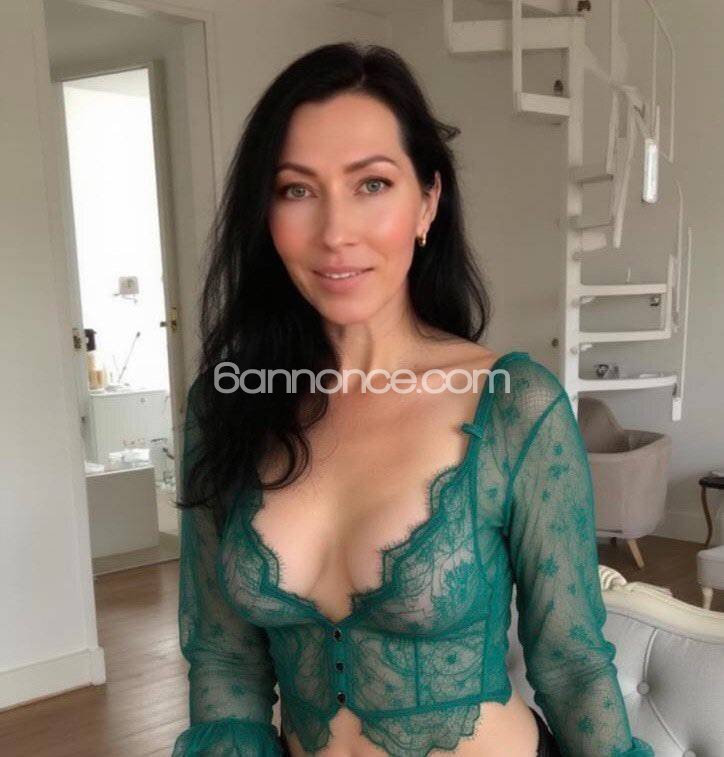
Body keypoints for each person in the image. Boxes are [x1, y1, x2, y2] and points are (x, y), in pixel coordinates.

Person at [171, 42, 654, 757]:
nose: (336, 233)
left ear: (427, 201)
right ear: (264, 215)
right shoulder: (228, 408)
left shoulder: (514, 406)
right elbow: (225, 662)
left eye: (372, 184)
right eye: (297, 190)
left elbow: (571, 665)